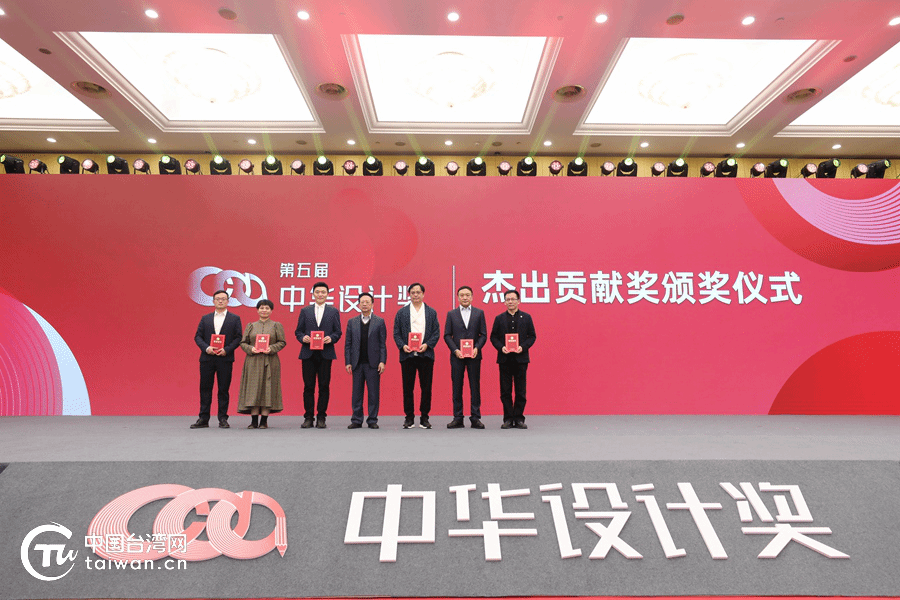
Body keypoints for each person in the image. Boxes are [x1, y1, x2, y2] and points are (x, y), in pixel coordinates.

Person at [192, 289, 243, 429]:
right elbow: (198, 337)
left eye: (223, 299)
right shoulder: (205, 318)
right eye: (218, 299)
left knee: (223, 389)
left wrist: (227, 350)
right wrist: (207, 348)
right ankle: (203, 418)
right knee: (205, 388)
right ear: (213, 301)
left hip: (225, 359)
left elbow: (238, 337)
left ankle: (223, 418)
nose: (220, 301)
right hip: (207, 358)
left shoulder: (234, 318)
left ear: (228, 301)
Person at [295, 281, 342, 428]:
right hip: (308, 353)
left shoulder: (333, 311)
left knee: (324, 386)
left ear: (327, 294)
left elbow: (338, 332)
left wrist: (331, 338)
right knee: (308, 387)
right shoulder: (305, 311)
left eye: (323, 292)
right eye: (317, 292)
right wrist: (303, 338)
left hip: (325, 354)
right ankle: (308, 417)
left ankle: (321, 417)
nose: (320, 294)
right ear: (313, 294)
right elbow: (298, 331)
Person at [393, 282, 440, 429]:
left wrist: (427, 345)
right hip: (407, 355)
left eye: (418, 292)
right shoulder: (402, 312)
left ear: (423, 294)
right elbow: (396, 333)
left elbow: (436, 332)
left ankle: (424, 417)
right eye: (413, 292)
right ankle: (409, 418)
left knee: (426, 388)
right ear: (409, 295)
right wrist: (403, 346)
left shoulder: (431, 312)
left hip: (426, 355)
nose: (415, 295)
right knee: (408, 388)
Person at [489, 289, 537, 429]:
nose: (510, 302)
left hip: (521, 359)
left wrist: (523, 347)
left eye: (513, 299)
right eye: (508, 299)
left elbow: (532, 336)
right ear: (504, 302)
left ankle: (519, 418)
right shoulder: (499, 318)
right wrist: (501, 347)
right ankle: (508, 419)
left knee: (521, 390)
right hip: (504, 359)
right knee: (505, 391)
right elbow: (493, 337)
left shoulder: (526, 317)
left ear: (518, 301)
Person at [237, 299, 287, 429]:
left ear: (271, 310)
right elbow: (243, 343)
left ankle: (264, 421)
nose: (264, 310)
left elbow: (282, 342)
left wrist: (272, 348)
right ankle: (254, 421)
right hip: (253, 361)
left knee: (267, 388)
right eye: (261, 308)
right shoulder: (251, 325)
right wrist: (251, 349)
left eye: (267, 308)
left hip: (270, 360)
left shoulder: (276, 325)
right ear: (257, 310)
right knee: (253, 389)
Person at [443, 286, 487, 429]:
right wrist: (455, 350)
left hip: (474, 356)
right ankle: (458, 418)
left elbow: (483, 334)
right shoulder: (452, 314)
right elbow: (447, 335)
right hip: (457, 356)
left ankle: (475, 418)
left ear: (472, 297)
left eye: (468, 295)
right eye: (462, 295)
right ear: (458, 297)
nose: (465, 297)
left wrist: (476, 348)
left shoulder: (479, 313)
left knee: (475, 387)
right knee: (457, 387)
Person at [344, 292, 387, 429]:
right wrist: (348, 362)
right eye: (362, 302)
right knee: (356, 393)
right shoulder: (352, 322)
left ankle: (372, 419)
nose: (364, 304)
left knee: (373, 393)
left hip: (373, 363)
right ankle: (356, 419)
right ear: (358, 304)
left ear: (372, 304)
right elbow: (348, 344)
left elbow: (382, 344)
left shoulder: (379, 321)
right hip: (356, 363)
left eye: (367, 302)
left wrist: (382, 361)